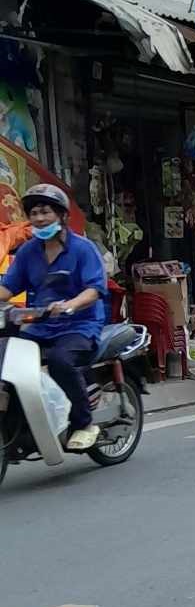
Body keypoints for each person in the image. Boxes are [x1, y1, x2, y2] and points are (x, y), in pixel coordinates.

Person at [0, 183, 107, 451]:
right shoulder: (28, 252)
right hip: (40, 327)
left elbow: (94, 289)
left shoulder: (83, 249)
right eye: (34, 213)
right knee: (6, 357)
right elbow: (8, 288)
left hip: (80, 326)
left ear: (62, 215)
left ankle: (84, 423)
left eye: (45, 212)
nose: (39, 218)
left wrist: (71, 305)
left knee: (60, 361)